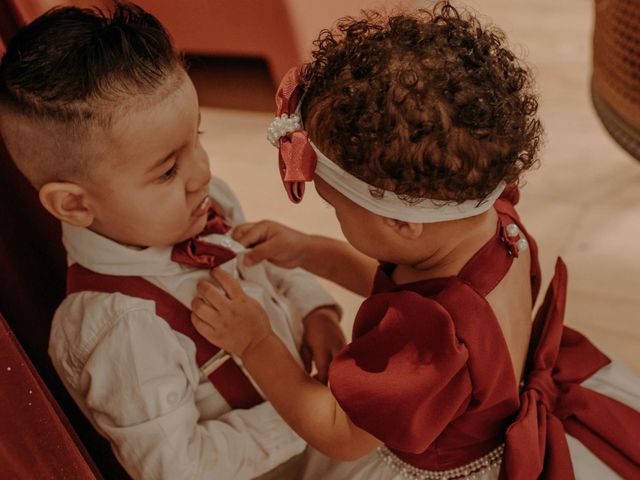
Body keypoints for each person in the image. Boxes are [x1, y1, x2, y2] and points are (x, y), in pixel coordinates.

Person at [191, 3, 640, 479]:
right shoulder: (497, 222)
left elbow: (339, 433)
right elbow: (409, 296)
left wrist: (256, 340)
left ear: (404, 224)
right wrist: (309, 251)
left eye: (335, 208)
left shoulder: (428, 342)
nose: (334, 218)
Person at [0, 3, 347, 479]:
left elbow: (263, 266)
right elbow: (176, 468)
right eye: (167, 169)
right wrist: (304, 412)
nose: (202, 173)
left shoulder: (204, 202)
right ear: (75, 205)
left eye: (198, 137)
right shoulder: (119, 328)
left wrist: (316, 311)